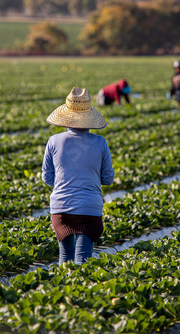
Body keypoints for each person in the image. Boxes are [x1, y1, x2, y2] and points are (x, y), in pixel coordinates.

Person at [42, 87, 115, 265]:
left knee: (65, 257)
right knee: (83, 258)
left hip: (61, 208)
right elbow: (108, 179)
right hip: (90, 208)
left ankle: (63, 290)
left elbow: (47, 178)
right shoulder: (101, 143)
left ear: (66, 118)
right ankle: (81, 291)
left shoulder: (53, 141)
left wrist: (64, 182)